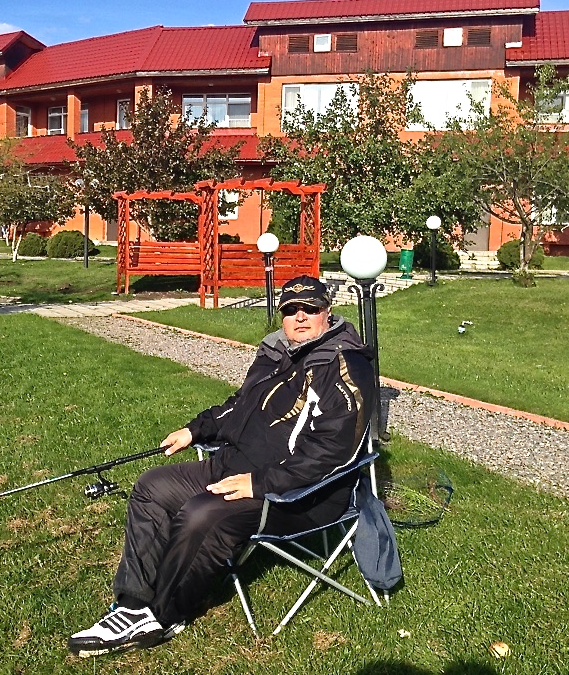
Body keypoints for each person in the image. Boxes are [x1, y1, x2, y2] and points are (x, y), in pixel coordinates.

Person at [68, 275, 375, 657]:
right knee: (152, 487)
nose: (300, 317)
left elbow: (332, 452)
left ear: (327, 312)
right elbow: (240, 405)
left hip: (299, 495)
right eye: (290, 310)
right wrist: (196, 429)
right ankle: (133, 603)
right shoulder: (277, 352)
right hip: (235, 466)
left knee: (203, 514)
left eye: (309, 309)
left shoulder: (345, 366)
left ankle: (165, 613)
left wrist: (260, 483)